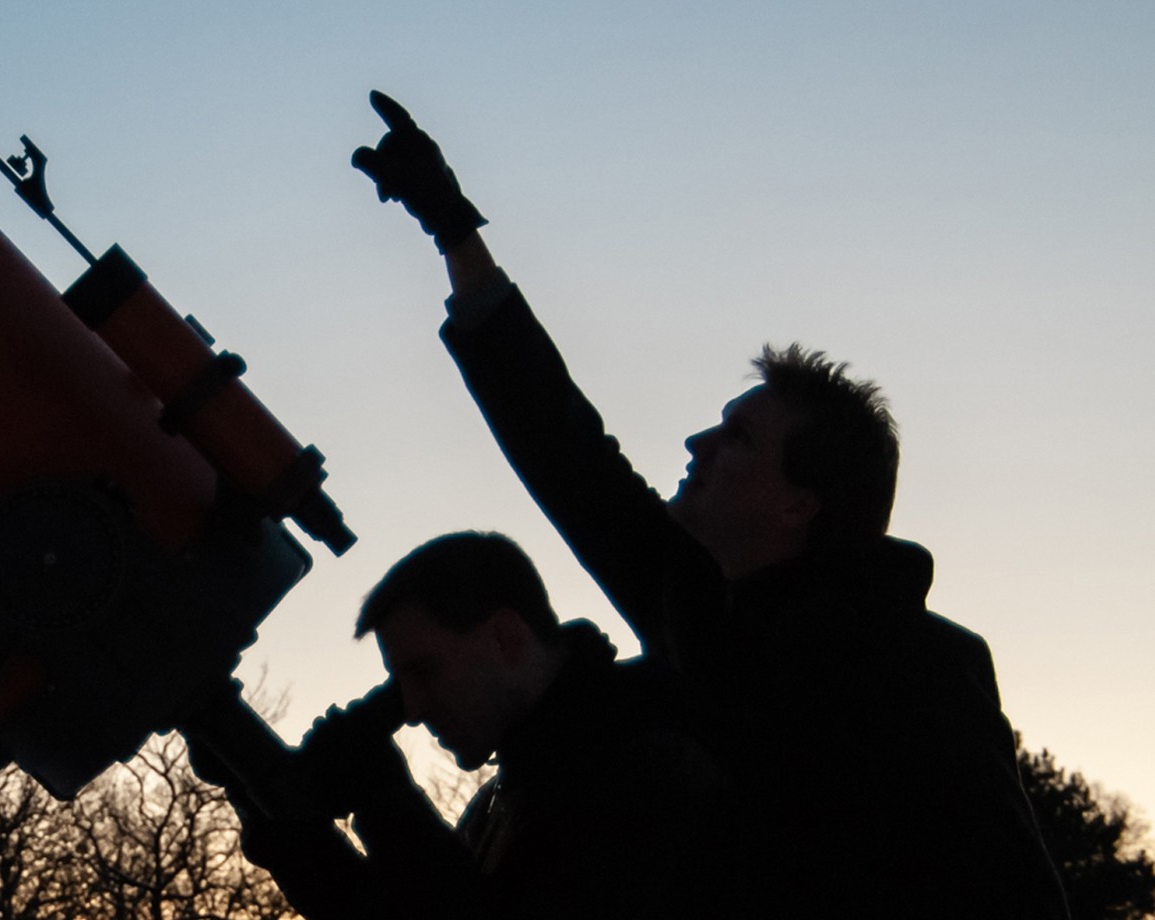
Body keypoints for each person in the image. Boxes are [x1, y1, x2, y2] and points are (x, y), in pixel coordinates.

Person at [351, 91, 1068, 918]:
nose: (698, 445)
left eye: (738, 438)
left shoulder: (917, 669)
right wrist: (453, 232)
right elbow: (566, 450)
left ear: (801, 501)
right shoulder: (696, 604)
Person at [200, 531, 728, 919]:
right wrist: (276, 811)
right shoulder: (512, 798)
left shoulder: (650, 768)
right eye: (398, 685)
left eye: (424, 671)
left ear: (505, 637)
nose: (410, 709)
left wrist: (385, 801)